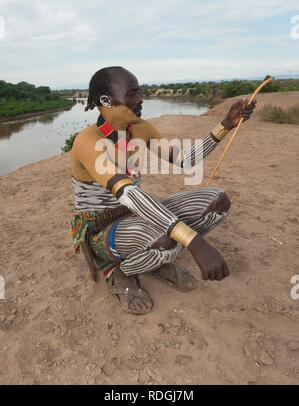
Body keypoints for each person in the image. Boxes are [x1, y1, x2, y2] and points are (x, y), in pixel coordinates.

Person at [71, 66, 256, 314]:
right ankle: (122, 273)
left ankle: (154, 258)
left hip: (136, 215)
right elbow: (129, 194)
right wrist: (194, 242)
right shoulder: (88, 141)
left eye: (139, 92)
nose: (140, 100)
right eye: (131, 94)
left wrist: (225, 125)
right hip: (102, 229)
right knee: (168, 240)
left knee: (217, 202)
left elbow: (186, 160)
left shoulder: (139, 128)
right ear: (106, 100)